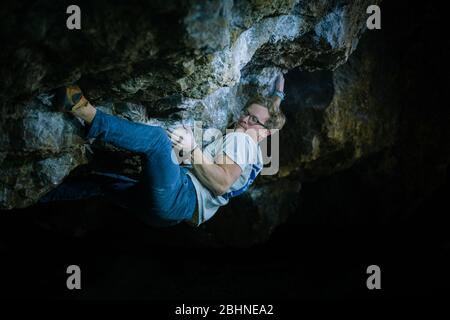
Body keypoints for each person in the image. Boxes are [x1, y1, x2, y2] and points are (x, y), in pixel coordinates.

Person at [44, 75, 286, 227]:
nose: (244, 119)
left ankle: (82, 110)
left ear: (265, 132)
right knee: (102, 182)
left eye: (252, 119)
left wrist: (192, 150)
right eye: (246, 113)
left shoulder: (243, 140)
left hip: (182, 195)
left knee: (158, 139)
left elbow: (222, 182)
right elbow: (271, 119)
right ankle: (43, 196)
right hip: (171, 215)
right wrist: (278, 95)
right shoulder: (257, 149)